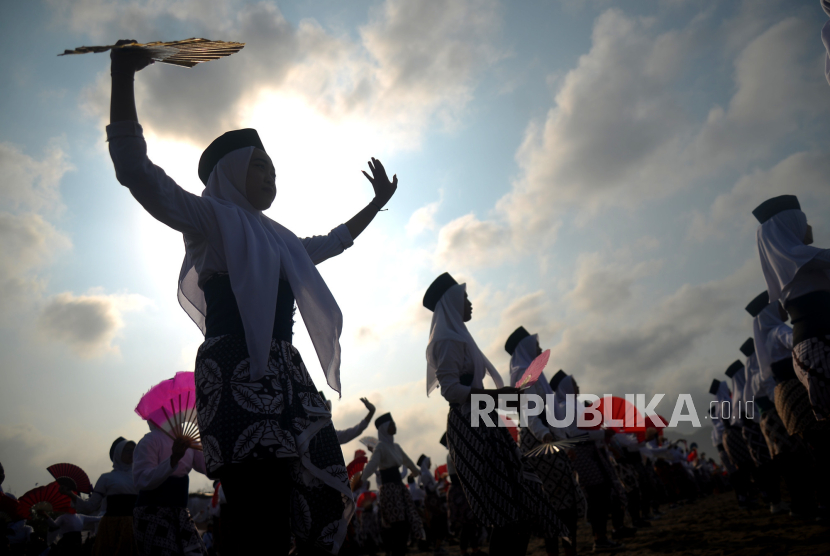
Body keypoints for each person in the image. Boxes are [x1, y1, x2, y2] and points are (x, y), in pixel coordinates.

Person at [107, 39, 397, 555]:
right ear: (234, 171)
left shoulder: (279, 239)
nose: (272, 175)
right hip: (234, 372)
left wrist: (375, 204)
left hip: (286, 375)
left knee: (314, 495)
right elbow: (135, 171)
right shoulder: (209, 220)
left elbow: (330, 243)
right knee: (257, 508)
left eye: (275, 168)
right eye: (261, 165)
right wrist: (123, 76)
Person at [423, 273, 567, 556]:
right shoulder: (447, 340)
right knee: (507, 512)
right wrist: (500, 397)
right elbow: (451, 391)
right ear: (452, 301)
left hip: (482, 419)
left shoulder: (458, 337)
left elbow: (475, 393)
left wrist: (503, 401)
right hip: (471, 427)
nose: (470, 303)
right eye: (464, 297)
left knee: (519, 506)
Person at [505, 328, 581, 556]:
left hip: (548, 436)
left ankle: (568, 551)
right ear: (526, 348)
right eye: (536, 346)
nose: (540, 350)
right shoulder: (521, 372)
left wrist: (563, 439)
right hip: (539, 439)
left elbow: (552, 410)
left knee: (564, 499)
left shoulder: (537, 373)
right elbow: (527, 411)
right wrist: (545, 435)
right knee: (553, 502)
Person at [754, 195, 830, 421]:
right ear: (790, 226)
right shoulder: (799, 260)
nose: (808, 227)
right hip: (821, 345)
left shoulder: (798, 263)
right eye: (802, 221)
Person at [132, 423, 208, 556]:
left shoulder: (188, 442)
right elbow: (142, 480)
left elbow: (209, 467)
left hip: (181, 513)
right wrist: (173, 459)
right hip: (152, 513)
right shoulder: (150, 440)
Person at [60, 437, 139, 555]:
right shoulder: (106, 478)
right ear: (118, 453)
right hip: (112, 526)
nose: (131, 453)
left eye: (134, 450)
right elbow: (90, 506)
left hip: (136, 525)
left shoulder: (141, 475)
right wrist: (70, 494)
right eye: (127, 450)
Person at [360, 413, 424, 556]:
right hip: (389, 491)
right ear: (384, 429)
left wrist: (416, 471)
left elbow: (408, 461)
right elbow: (372, 465)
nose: (394, 426)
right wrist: (362, 479)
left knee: (405, 523)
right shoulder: (380, 447)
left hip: (399, 489)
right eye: (391, 424)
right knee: (398, 526)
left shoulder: (396, 446)